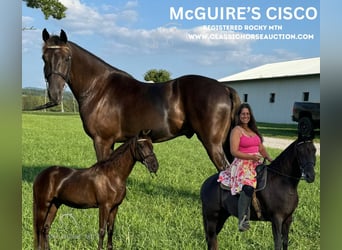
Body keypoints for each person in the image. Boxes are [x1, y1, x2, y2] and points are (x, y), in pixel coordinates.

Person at [218, 103, 272, 232]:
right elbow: (234, 151)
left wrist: (270, 159)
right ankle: (243, 219)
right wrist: (250, 157)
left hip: (256, 162)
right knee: (248, 186)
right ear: (239, 116)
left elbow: (261, 148)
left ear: (250, 115)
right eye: (243, 114)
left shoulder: (253, 131)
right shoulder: (236, 130)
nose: (245, 116)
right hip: (243, 163)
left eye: (247, 114)